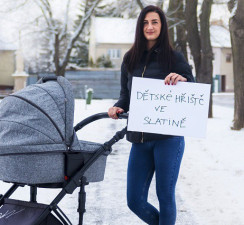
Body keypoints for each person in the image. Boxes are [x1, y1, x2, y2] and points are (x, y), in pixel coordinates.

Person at [108, 5, 195, 225]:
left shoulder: (174, 57)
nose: (150, 27)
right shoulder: (130, 58)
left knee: (165, 196)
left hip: (168, 139)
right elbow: (125, 96)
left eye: (154, 22)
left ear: (162, 26)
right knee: (134, 200)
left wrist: (182, 80)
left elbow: (193, 88)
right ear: (140, 26)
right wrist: (117, 107)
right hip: (140, 139)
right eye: (145, 22)